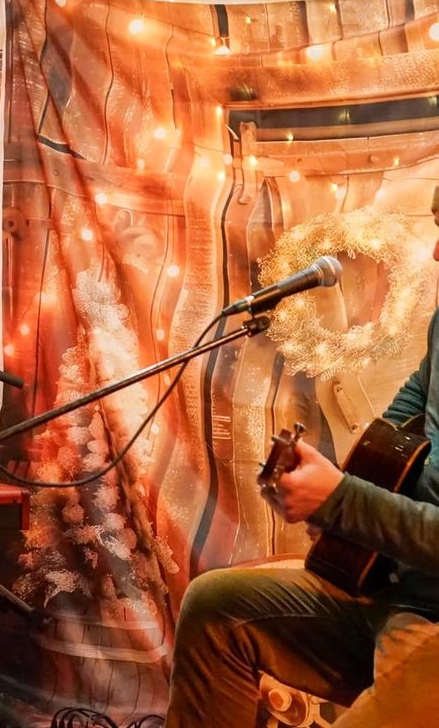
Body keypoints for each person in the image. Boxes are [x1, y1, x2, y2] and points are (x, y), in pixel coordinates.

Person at [165, 187, 439, 728]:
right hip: (398, 590)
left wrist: (341, 502)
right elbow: (398, 427)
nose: (436, 253)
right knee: (217, 606)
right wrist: (334, 498)